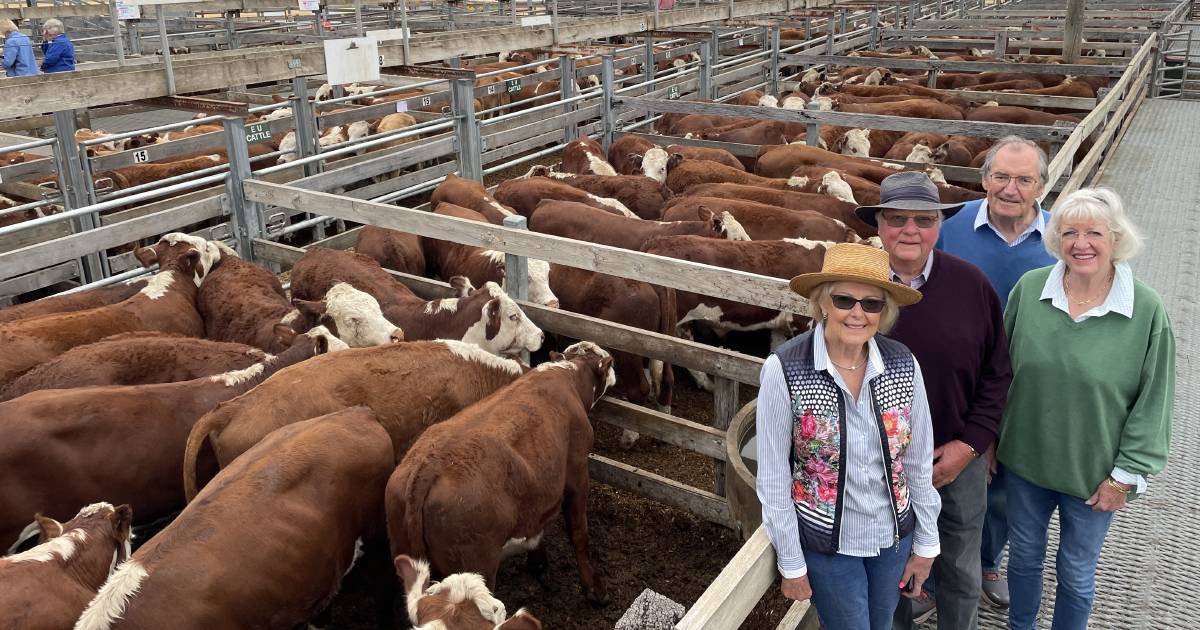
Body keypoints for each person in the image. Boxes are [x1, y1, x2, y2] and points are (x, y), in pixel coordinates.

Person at [1000, 187, 1173, 630]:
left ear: (1116, 238)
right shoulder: (1031, 289)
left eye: (1094, 232)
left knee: (1076, 573)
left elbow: (1154, 400)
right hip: (1024, 461)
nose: (1081, 243)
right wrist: (986, 440)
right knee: (1022, 557)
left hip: (1095, 474)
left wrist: (1127, 476)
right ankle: (1021, 626)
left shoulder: (1146, 309)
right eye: (1069, 231)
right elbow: (997, 372)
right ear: (1056, 238)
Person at [851, 172, 1012, 630]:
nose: (910, 230)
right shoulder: (856, 290)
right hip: (877, 463)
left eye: (923, 219)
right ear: (879, 225)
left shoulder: (971, 285)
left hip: (956, 455)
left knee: (960, 566)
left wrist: (971, 446)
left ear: (939, 227)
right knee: (890, 566)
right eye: (897, 218)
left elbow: (998, 373)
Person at [757, 242, 941, 630]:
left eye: (872, 304)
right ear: (823, 303)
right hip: (827, 544)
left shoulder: (903, 364)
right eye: (844, 299)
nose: (857, 313)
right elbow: (773, 477)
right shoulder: (786, 369)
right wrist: (791, 562)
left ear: (884, 312)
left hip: (892, 539)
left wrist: (926, 544)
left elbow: (917, 463)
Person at [936, 135, 1055, 608]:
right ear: (984, 179)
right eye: (1001, 176)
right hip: (962, 380)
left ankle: (988, 558)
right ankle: (938, 566)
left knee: (1008, 481)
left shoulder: (1060, 240)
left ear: (1042, 187)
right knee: (949, 469)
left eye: (1024, 179)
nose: (1011, 188)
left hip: (1028, 384)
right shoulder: (953, 226)